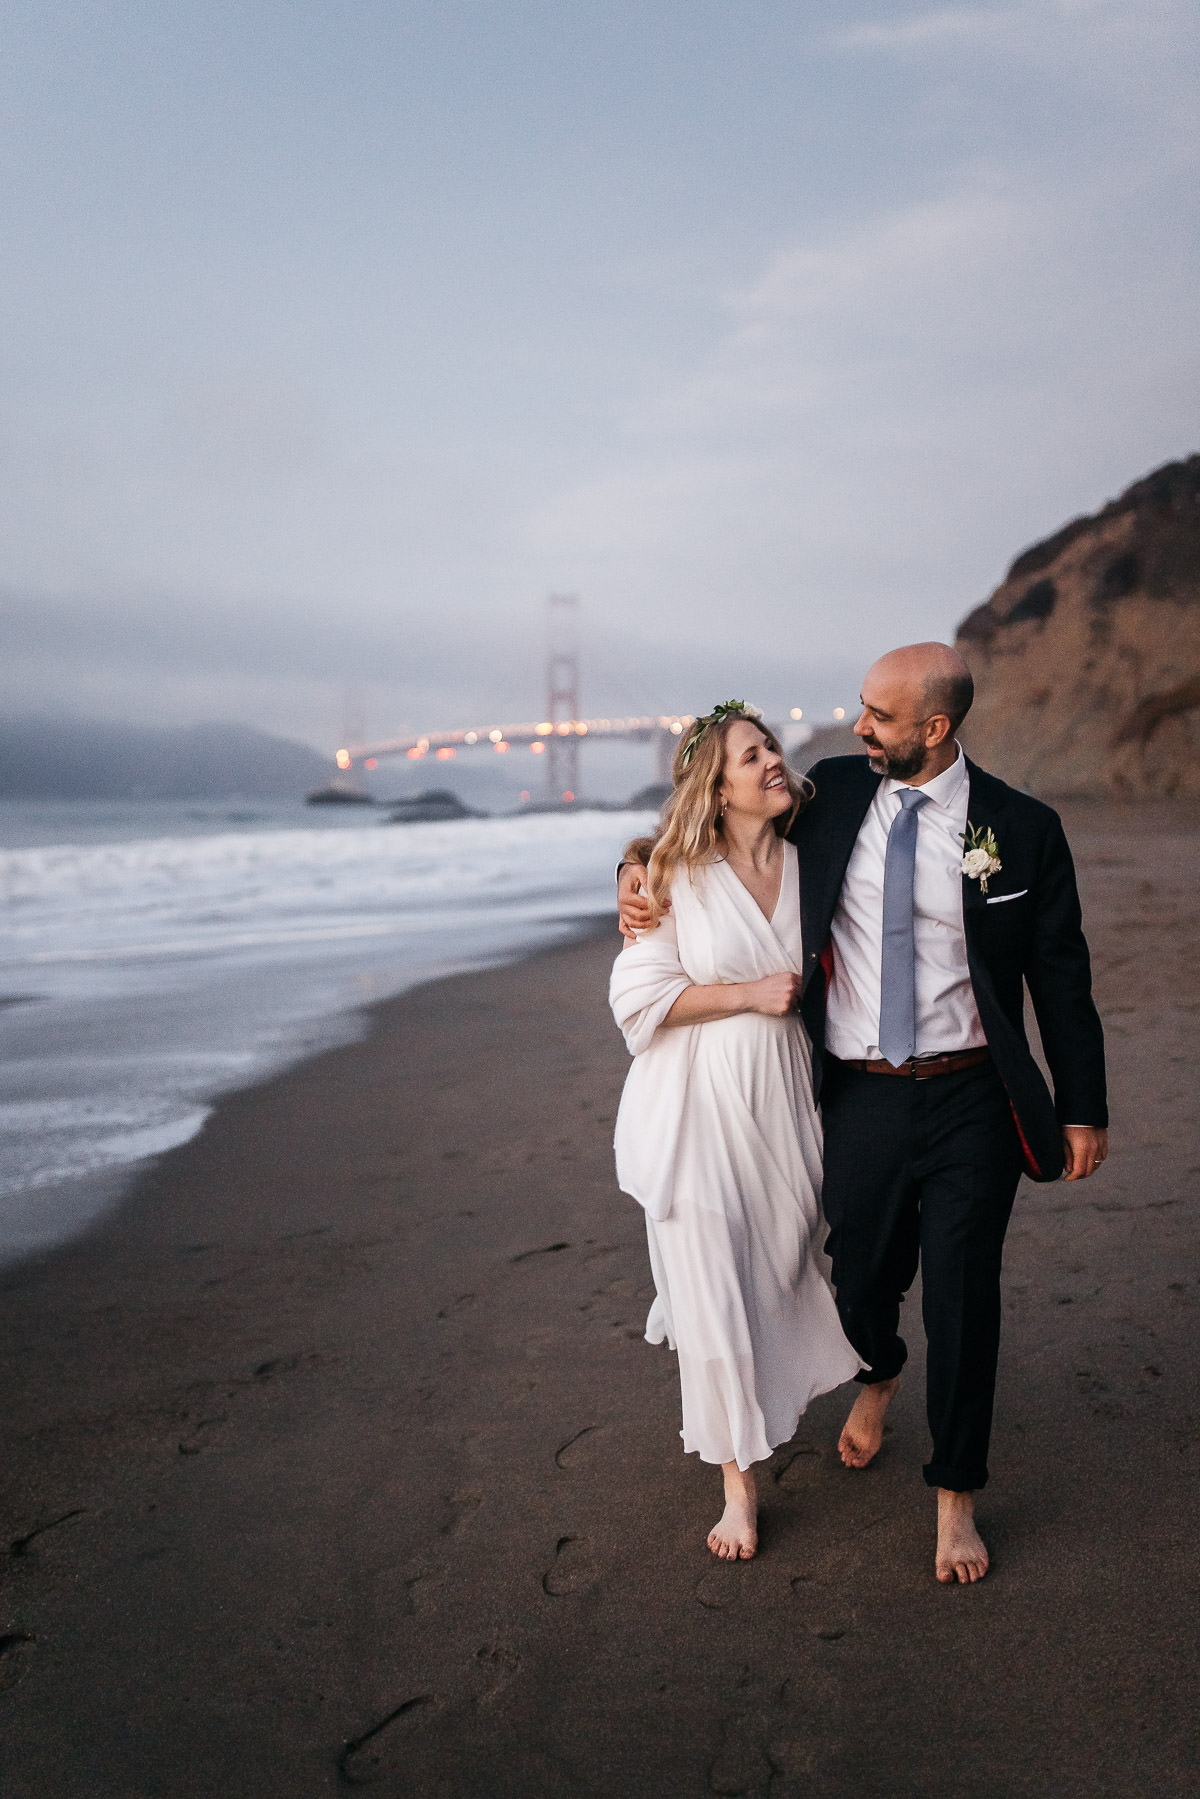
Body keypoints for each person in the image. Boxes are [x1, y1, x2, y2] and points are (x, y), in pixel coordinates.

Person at [619, 644, 1108, 1584]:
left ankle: (956, 1496)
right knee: (859, 1283)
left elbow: (1061, 974)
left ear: (936, 727)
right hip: (858, 1090)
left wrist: (1082, 1105)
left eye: (879, 716)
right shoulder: (837, 792)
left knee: (966, 1298)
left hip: (974, 1093)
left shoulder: (1022, 827)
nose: (859, 728)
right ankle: (878, 1371)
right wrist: (633, 873)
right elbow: (707, 828)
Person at [609, 703, 862, 1561]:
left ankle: (803, 1394)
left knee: (781, 1263)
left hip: (786, 1099)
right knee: (713, 1282)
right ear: (715, 790)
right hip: (696, 1103)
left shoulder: (813, 861)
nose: (771, 763)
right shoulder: (677, 872)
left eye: (771, 749)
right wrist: (748, 994)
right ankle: (737, 1487)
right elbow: (637, 1000)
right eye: (750, 756)